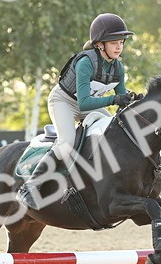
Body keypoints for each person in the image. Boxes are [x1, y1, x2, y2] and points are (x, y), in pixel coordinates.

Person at [19, 13, 140, 209]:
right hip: (64, 101)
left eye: (121, 42)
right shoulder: (86, 63)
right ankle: (29, 187)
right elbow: (84, 103)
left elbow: (121, 98)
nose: (119, 47)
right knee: (67, 143)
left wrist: (133, 100)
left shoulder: (118, 67)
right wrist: (114, 99)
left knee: (114, 130)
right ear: (100, 45)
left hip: (89, 104)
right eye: (114, 43)